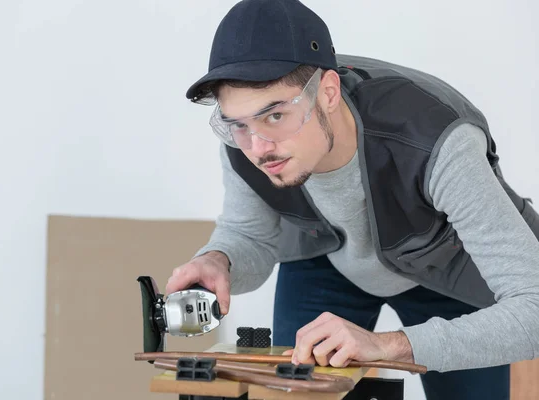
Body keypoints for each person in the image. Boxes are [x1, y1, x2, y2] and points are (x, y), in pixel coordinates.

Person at [165, 0, 539, 399]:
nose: (259, 148)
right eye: (239, 124)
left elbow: (534, 310)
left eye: (275, 116)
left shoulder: (437, 142)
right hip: (324, 257)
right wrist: (218, 259)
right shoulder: (246, 141)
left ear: (328, 92)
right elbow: (250, 237)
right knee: (296, 392)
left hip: (448, 265)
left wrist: (388, 346)